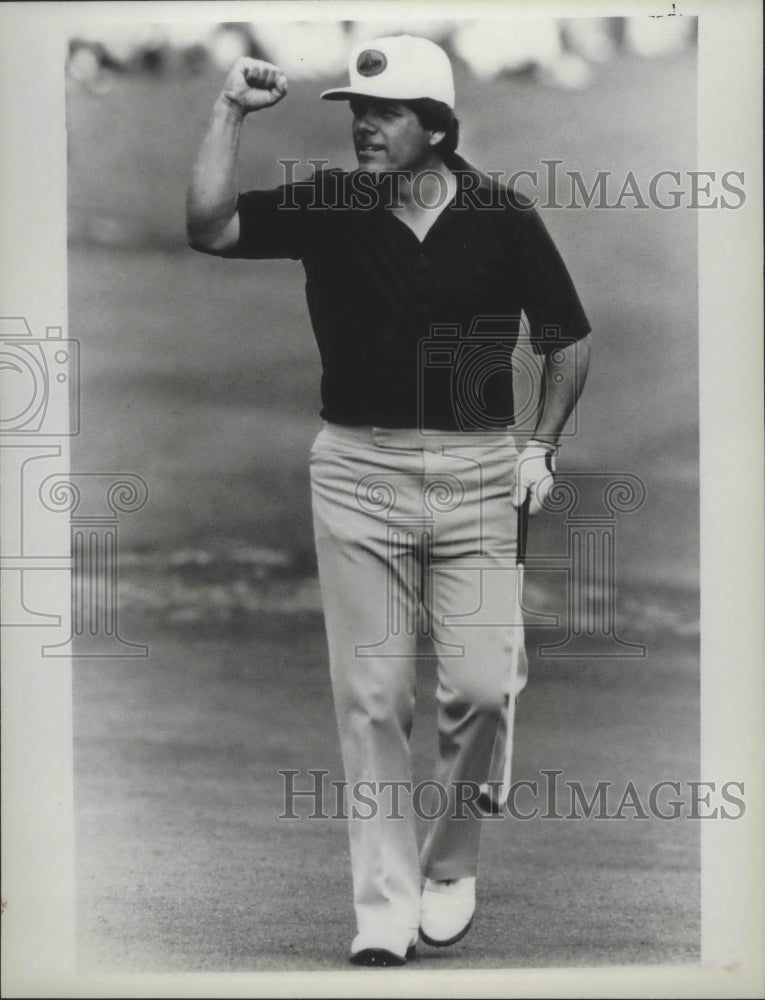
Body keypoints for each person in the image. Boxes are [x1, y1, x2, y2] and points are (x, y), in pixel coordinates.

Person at [187, 33, 591, 967]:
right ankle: (382, 903)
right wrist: (228, 112)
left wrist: (542, 447)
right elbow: (207, 228)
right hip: (356, 473)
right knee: (371, 695)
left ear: (436, 127)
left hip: (482, 475)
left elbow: (565, 339)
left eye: (386, 113)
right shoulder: (330, 206)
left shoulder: (500, 214)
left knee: (484, 690)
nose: (365, 127)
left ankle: (451, 864)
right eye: (357, 113)